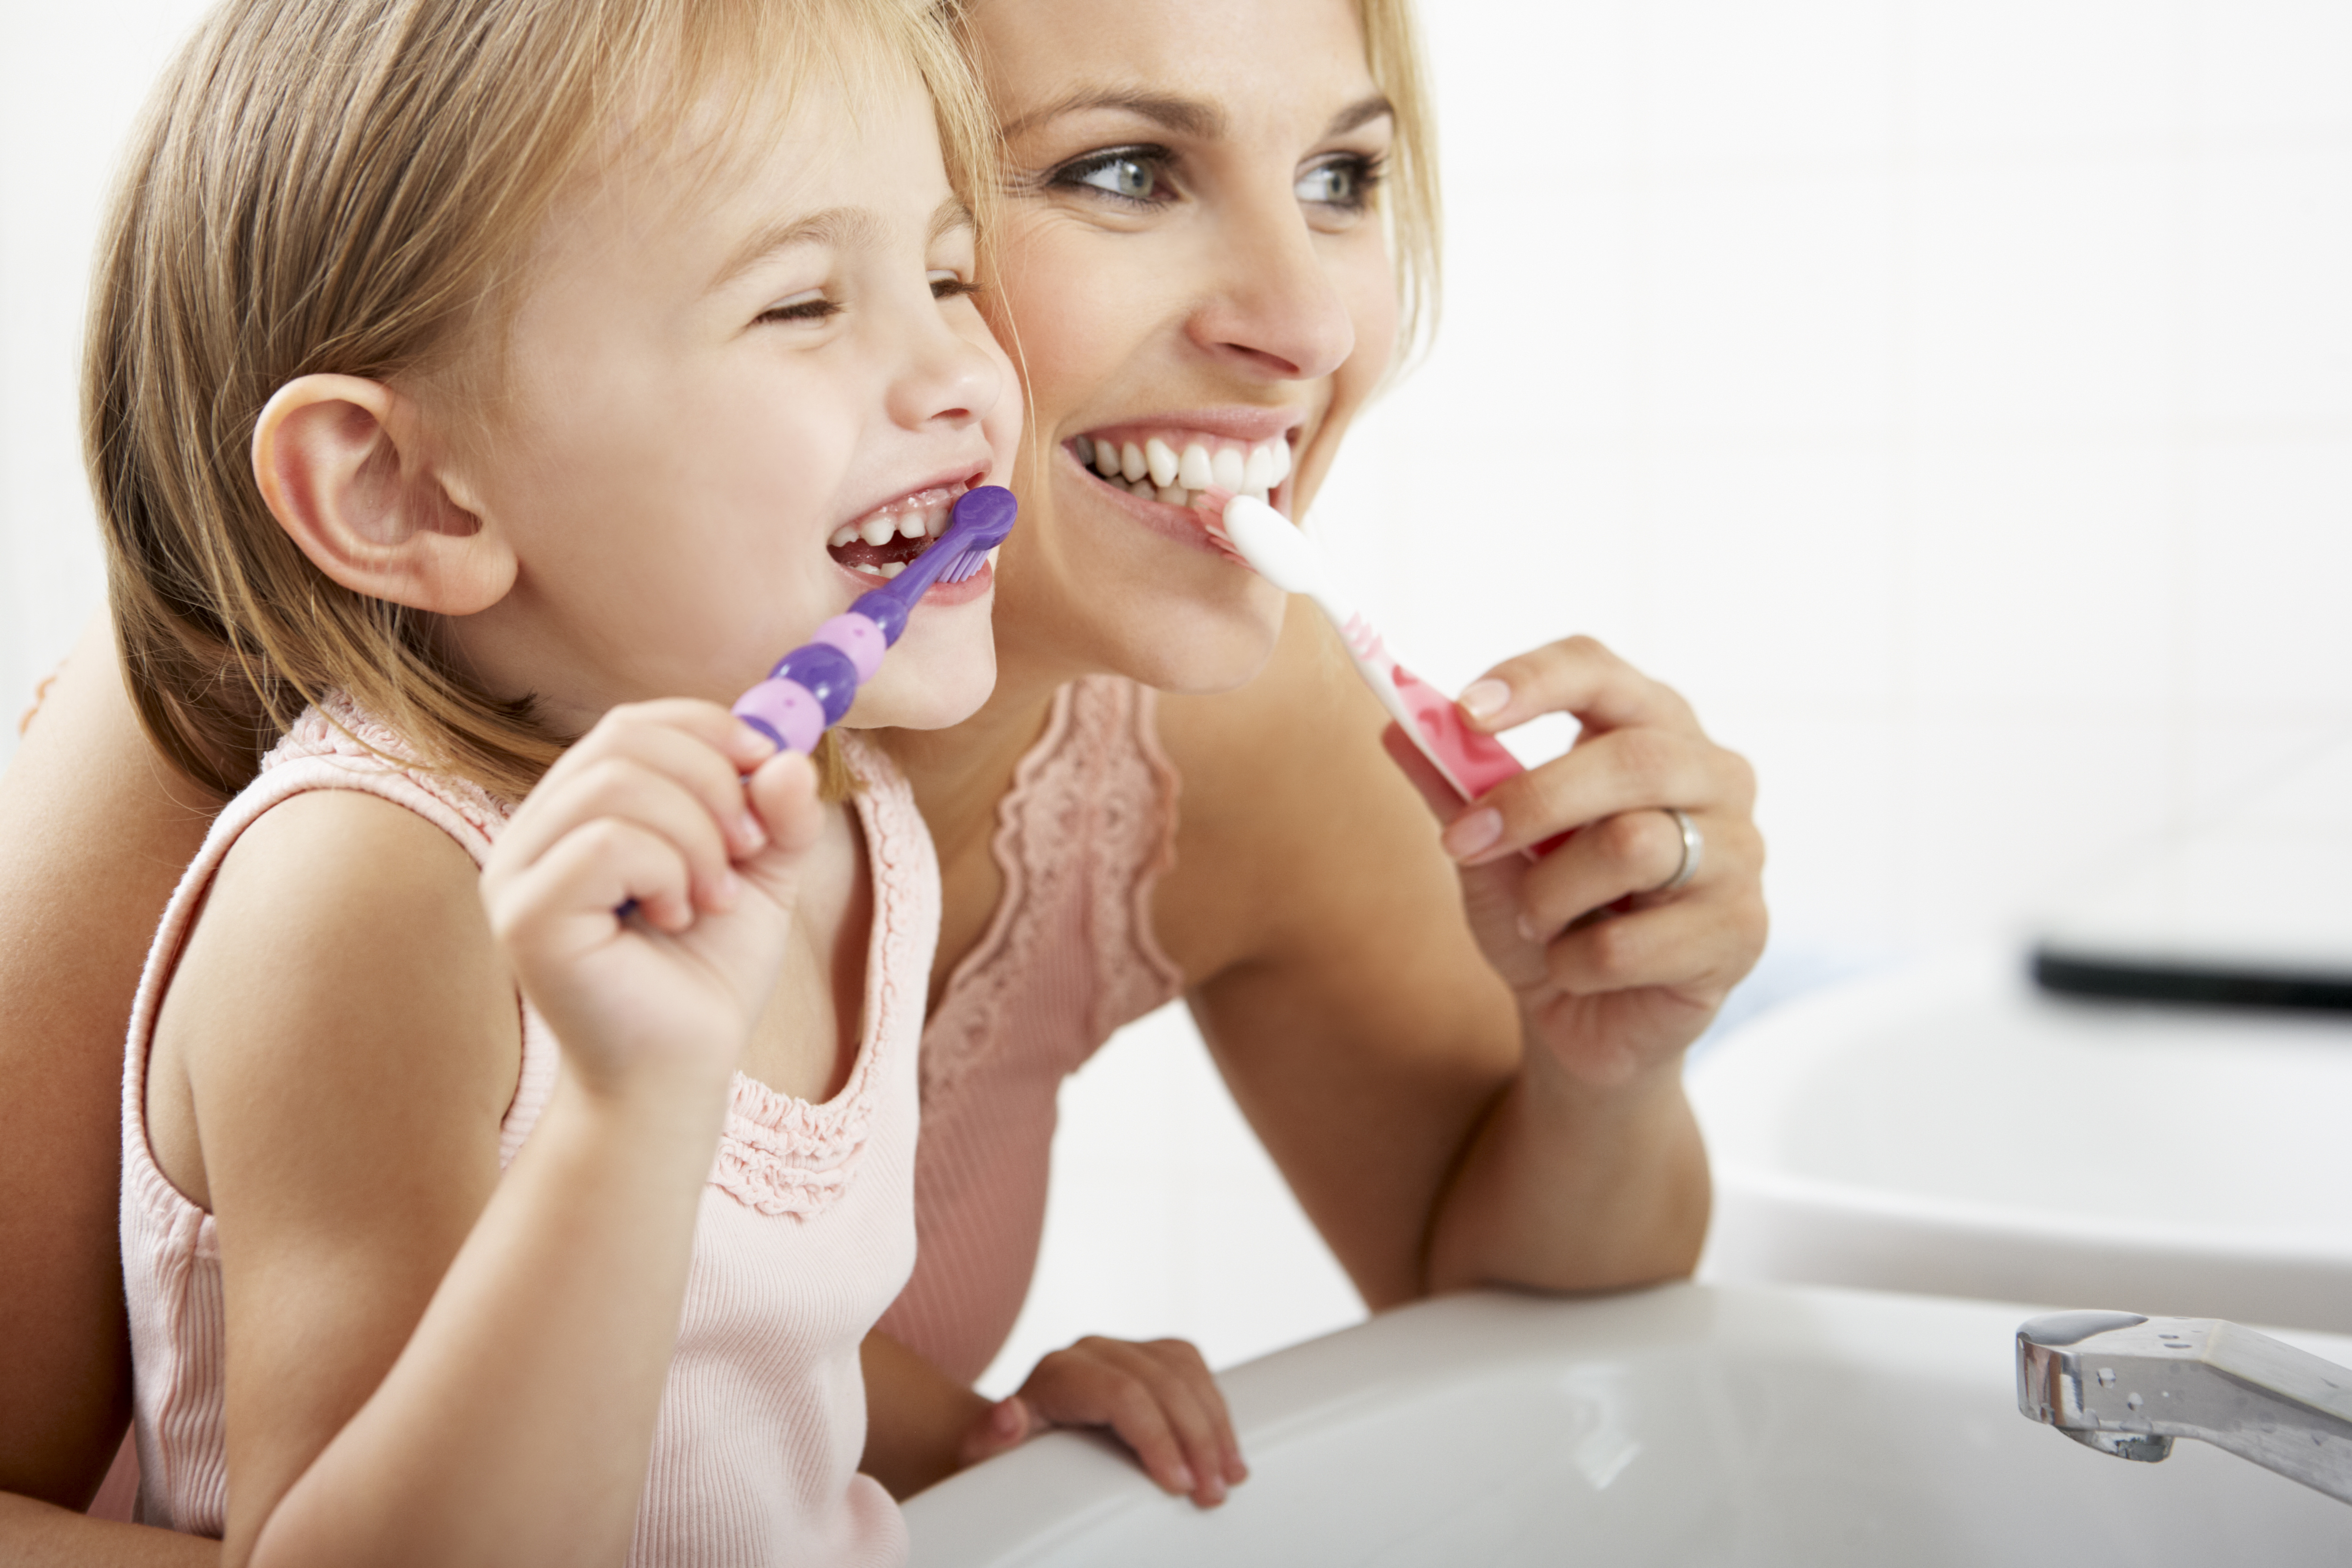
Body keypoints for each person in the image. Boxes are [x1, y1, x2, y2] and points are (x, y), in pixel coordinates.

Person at [0, 0, 1767, 1556]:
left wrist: (1603, 1056)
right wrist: (629, 1129)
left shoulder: (875, 821)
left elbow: (754, 1347)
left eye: (1346, 178)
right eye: (1124, 171)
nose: (1307, 325)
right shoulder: (331, 837)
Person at [16, 0, 1026, 1561]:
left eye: (949, 274)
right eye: (803, 304)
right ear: (403, 489)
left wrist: (984, 1428)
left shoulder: (849, 815)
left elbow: (723, 1351)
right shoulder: (373, 894)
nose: (961, 369)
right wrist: (630, 1112)